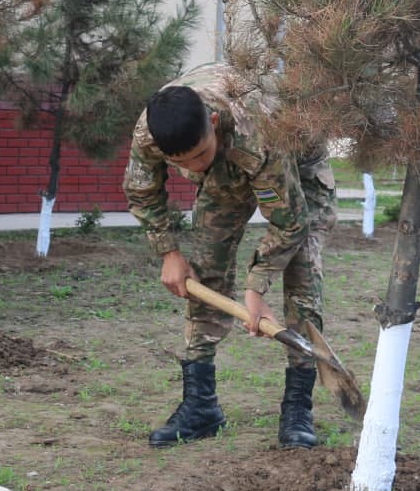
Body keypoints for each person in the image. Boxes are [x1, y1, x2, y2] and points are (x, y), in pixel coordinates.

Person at [123, 63, 337, 449]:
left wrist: (256, 290)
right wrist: (169, 252)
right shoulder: (150, 132)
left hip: (298, 164)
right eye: (182, 163)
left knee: (302, 274)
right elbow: (141, 192)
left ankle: (297, 410)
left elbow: (289, 222)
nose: (194, 168)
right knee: (204, 269)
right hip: (231, 158)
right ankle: (201, 407)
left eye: (199, 154)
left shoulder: (256, 132)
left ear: (215, 122)